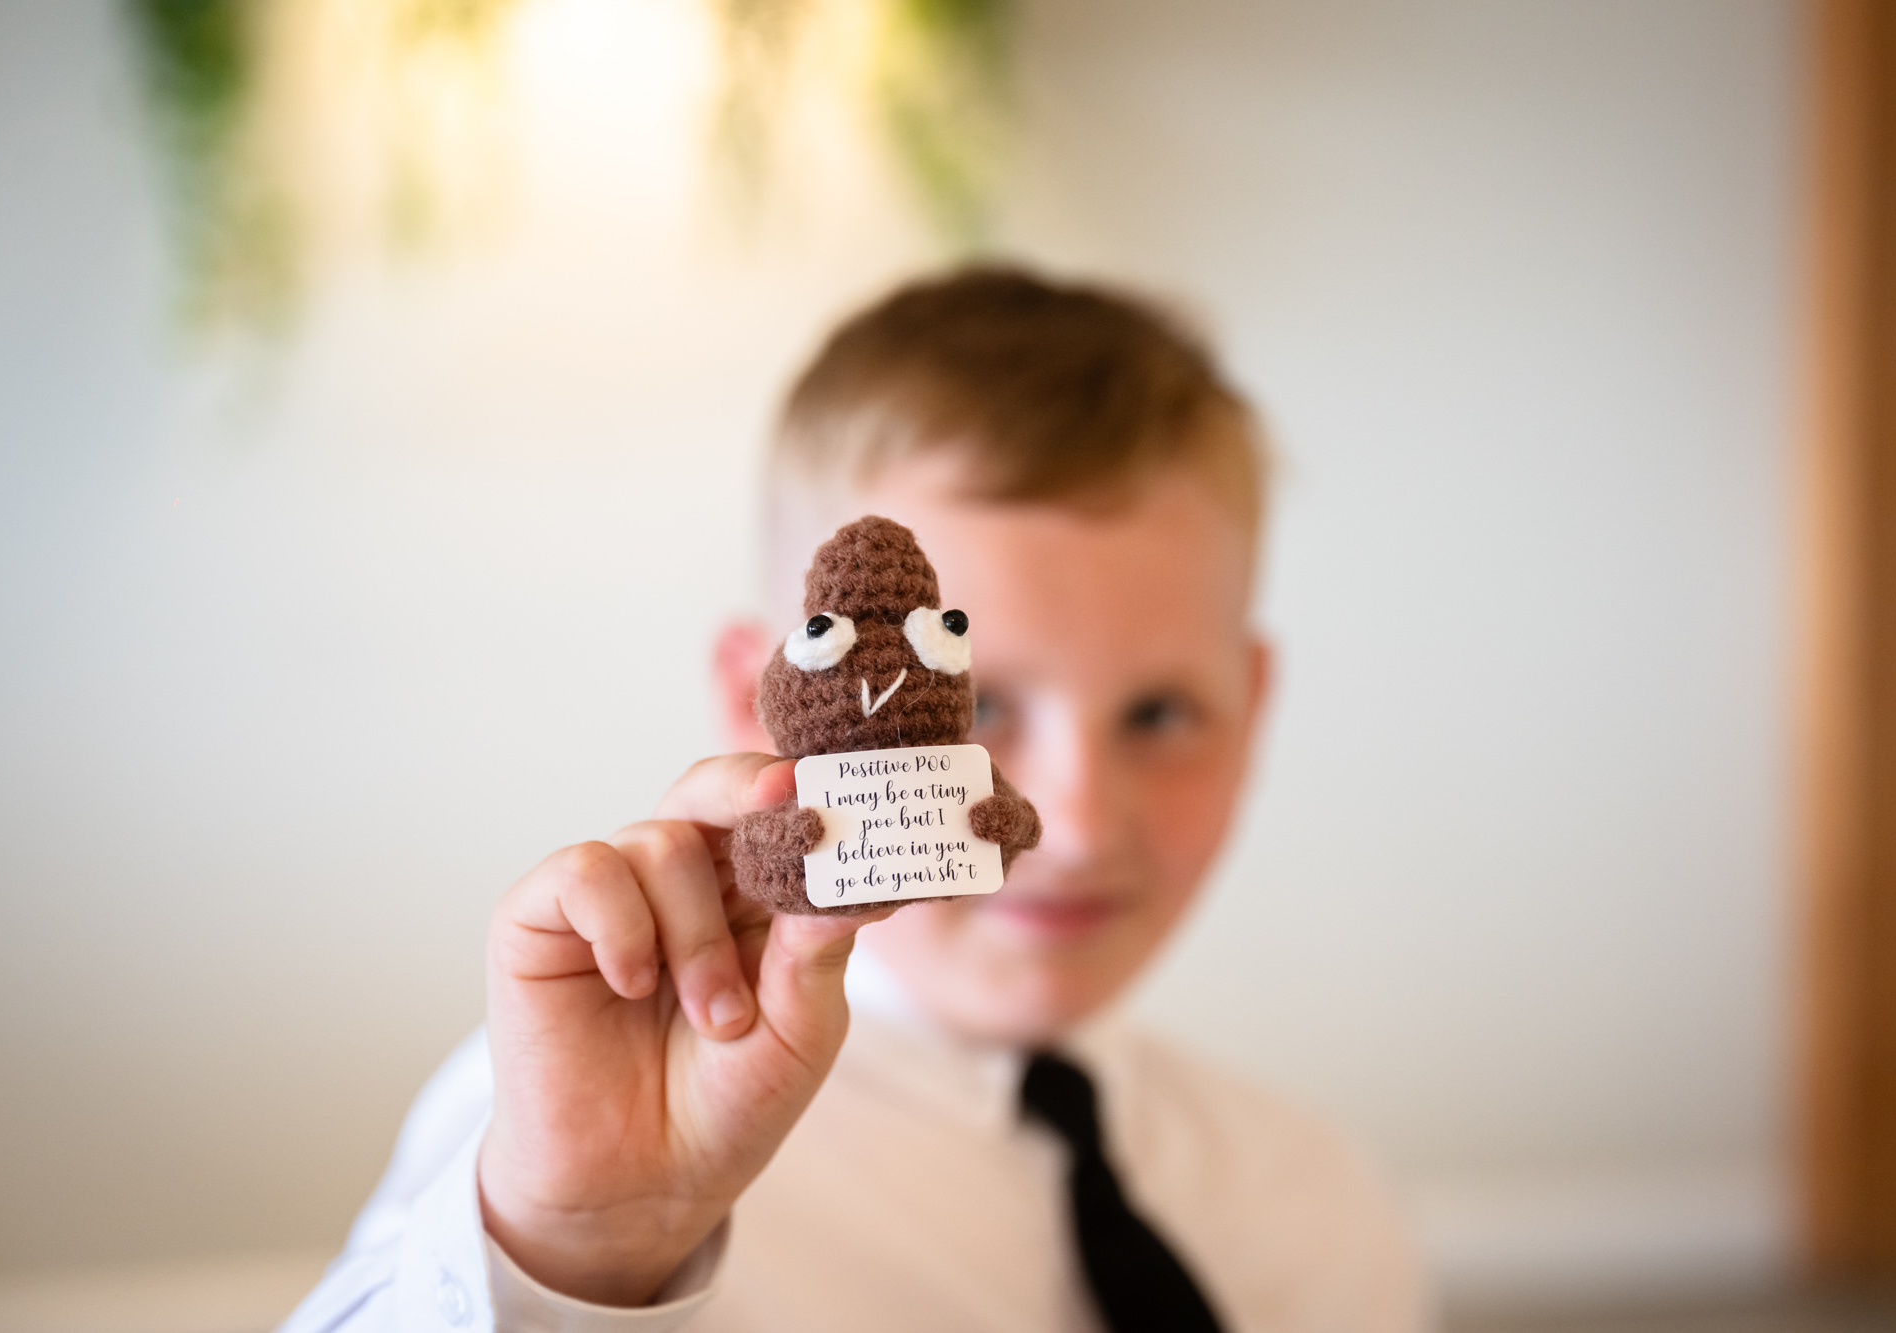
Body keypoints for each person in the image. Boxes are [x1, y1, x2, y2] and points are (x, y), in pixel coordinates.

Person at [281, 267, 1431, 1333]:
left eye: (1160, 716)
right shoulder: (566, 1120)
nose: (1073, 827)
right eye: (975, 710)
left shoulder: (1317, 1203)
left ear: (1254, 703)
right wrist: (580, 1246)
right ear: (760, 698)